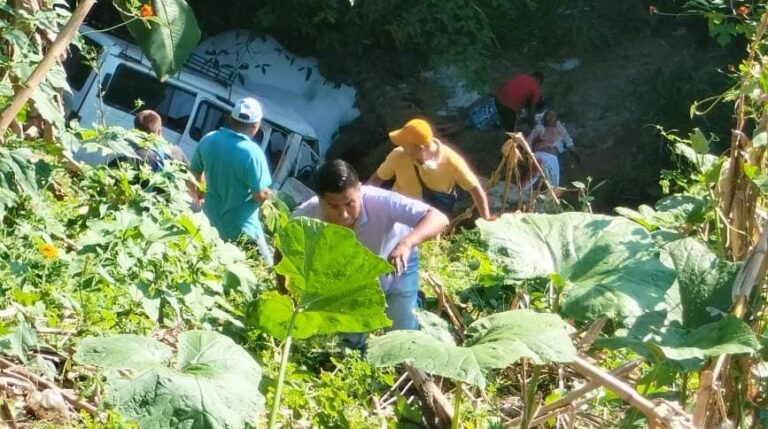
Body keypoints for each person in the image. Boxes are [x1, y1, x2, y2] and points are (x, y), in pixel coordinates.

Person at [294, 159, 449, 336]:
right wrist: (286, 293)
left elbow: (438, 218)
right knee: (349, 340)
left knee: (401, 330)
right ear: (320, 200)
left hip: (397, 266)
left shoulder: (381, 201)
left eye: (349, 203)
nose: (343, 214)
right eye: (333, 206)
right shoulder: (307, 215)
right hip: (351, 281)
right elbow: (283, 249)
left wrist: (406, 244)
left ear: (359, 190)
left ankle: (412, 304)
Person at [190, 97, 274, 265]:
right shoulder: (252, 153)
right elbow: (260, 194)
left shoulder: (209, 139)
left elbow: (194, 174)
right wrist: (270, 195)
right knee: (267, 270)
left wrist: (200, 194)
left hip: (209, 222)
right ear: (256, 126)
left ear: (230, 119)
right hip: (242, 229)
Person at [367, 118, 493, 220]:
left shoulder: (451, 161)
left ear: (420, 148)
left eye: (405, 145)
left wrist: (486, 216)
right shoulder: (398, 155)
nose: (402, 148)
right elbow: (377, 178)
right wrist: (362, 201)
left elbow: (475, 188)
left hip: (429, 219)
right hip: (397, 211)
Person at [525, 109, 577, 188]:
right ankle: (522, 191)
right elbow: (528, 142)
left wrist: (574, 152)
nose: (550, 118)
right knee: (531, 177)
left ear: (556, 119)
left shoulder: (560, 130)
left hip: (553, 157)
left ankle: (550, 196)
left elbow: (569, 142)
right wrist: (528, 154)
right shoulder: (539, 128)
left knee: (554, 183)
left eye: (553, 116)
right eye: (548, 115)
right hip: (539, 154)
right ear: (544, 118)